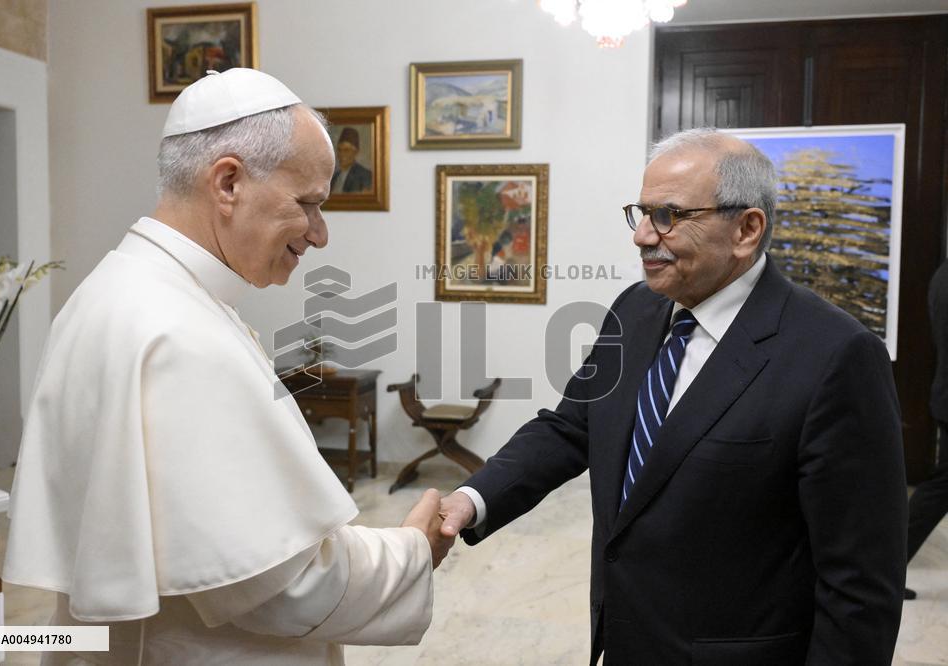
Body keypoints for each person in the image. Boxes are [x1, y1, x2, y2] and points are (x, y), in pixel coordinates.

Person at [4, 68, 451, 665]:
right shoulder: (178, 330)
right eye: (308, 203)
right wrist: (410, 550)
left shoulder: (118, 290)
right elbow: (280, 588)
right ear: (229, 182)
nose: (319, 234)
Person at [440, 128, 907, 664]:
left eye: (668, 215)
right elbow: (571, 427)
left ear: (746, 229)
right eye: (640, 213)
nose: (642, 235)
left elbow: (860, 589)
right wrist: (470, 501)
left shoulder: (836, 355)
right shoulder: (634, 310)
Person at [904, 257, 948, 599]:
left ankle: (883, 564)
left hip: (944, 395)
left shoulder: (941, 274)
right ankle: (883, 564)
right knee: (940, 489)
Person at [330, 127, 373, 193]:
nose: (341, 154)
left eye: (346, 150)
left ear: (355, 152)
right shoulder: (335, 177)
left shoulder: (365, 175)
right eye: (339, 150)